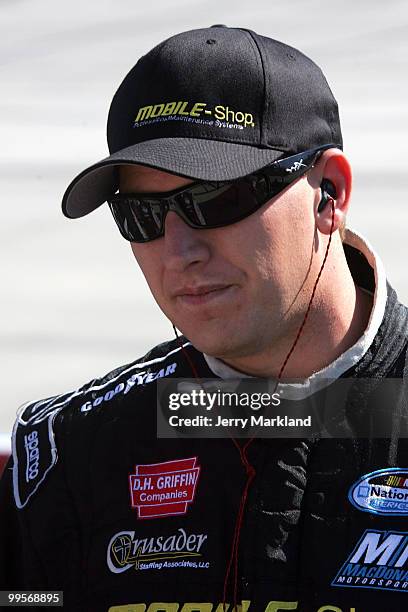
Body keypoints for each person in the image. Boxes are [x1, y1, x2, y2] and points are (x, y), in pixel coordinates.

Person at [1, 24, 408, 612]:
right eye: (140, 214)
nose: (179, 251)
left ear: (331, 194)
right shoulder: (74, 451)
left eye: (216, 200)